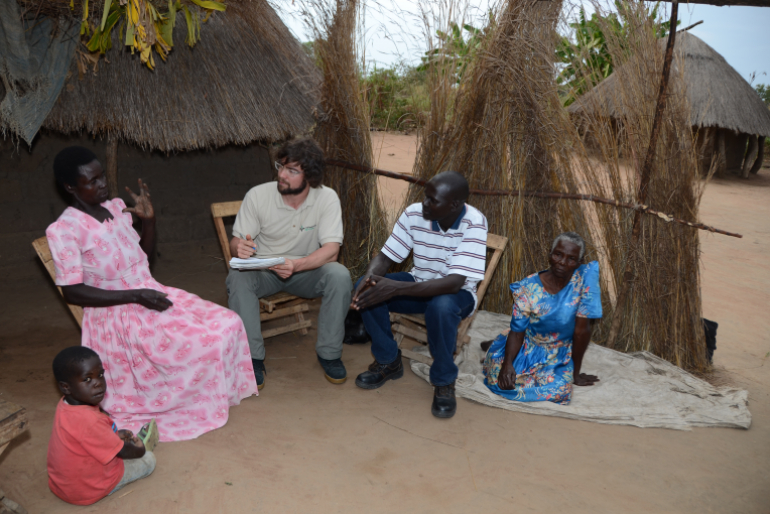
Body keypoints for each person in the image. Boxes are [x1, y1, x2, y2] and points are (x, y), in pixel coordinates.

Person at [46, 146, 258, 442]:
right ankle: (183, 402)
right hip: (116, 314)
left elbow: (142, 258)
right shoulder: (65, 230)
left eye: (102, 176)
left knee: (230, 322)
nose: (102, 184)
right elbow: (72, 291)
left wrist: (149, 222)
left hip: (149, 293)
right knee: (206, 342)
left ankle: (213, 395)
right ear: (70, 187)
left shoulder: (118, 208)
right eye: (91, 181)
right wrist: (133, 296)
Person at [351, 171, 487, 419]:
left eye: (433, 200)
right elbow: (385, 257)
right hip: (418, 284)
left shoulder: (474, 222)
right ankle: (388, 360)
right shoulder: (415, 214)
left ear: (454, 205)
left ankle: (444, 380)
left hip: (456, 295)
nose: (424, 203)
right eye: (426, 196)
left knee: (441, 306)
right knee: (368, 287)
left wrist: (396, 288)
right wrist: (368, 281)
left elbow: (454, 283)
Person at [226, 137, 352, 388]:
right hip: (263, 271)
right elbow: (235, 242)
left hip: (304, 271)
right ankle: (252, 357)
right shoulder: (258, 196)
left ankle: (329, 353)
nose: (282, 175)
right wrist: (237, 246)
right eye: (280, 166)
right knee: (237, 278)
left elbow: (331, 251)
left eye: (292, 170)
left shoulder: (327, 199)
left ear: (311, 178)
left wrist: (297, 265)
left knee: (339, 275)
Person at [482, 232, 602, 405]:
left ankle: (496, 343)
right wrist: (508, 364)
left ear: (579, 262)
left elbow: (581, 332)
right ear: (550, 254)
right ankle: (497, 344)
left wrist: (575, 373)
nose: (562, 262)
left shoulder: (585, 281)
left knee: (560, 391)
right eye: (558, 254)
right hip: (529, 344)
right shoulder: (527, 288)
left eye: (571, 258)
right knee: (499, 379)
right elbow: (518, 333)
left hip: (560, 351)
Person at [47, 346, 155, 505]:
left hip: (62, 486)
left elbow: (84, 437)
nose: (98, 383)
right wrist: (139, 449)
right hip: (86, 491)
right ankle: (110, 483)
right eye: (87, 379)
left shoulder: (65, 405)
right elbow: (123, 452)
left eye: (100, 375)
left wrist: (113, 436)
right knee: (149, 460)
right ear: (65, 387)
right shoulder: (90, 420)